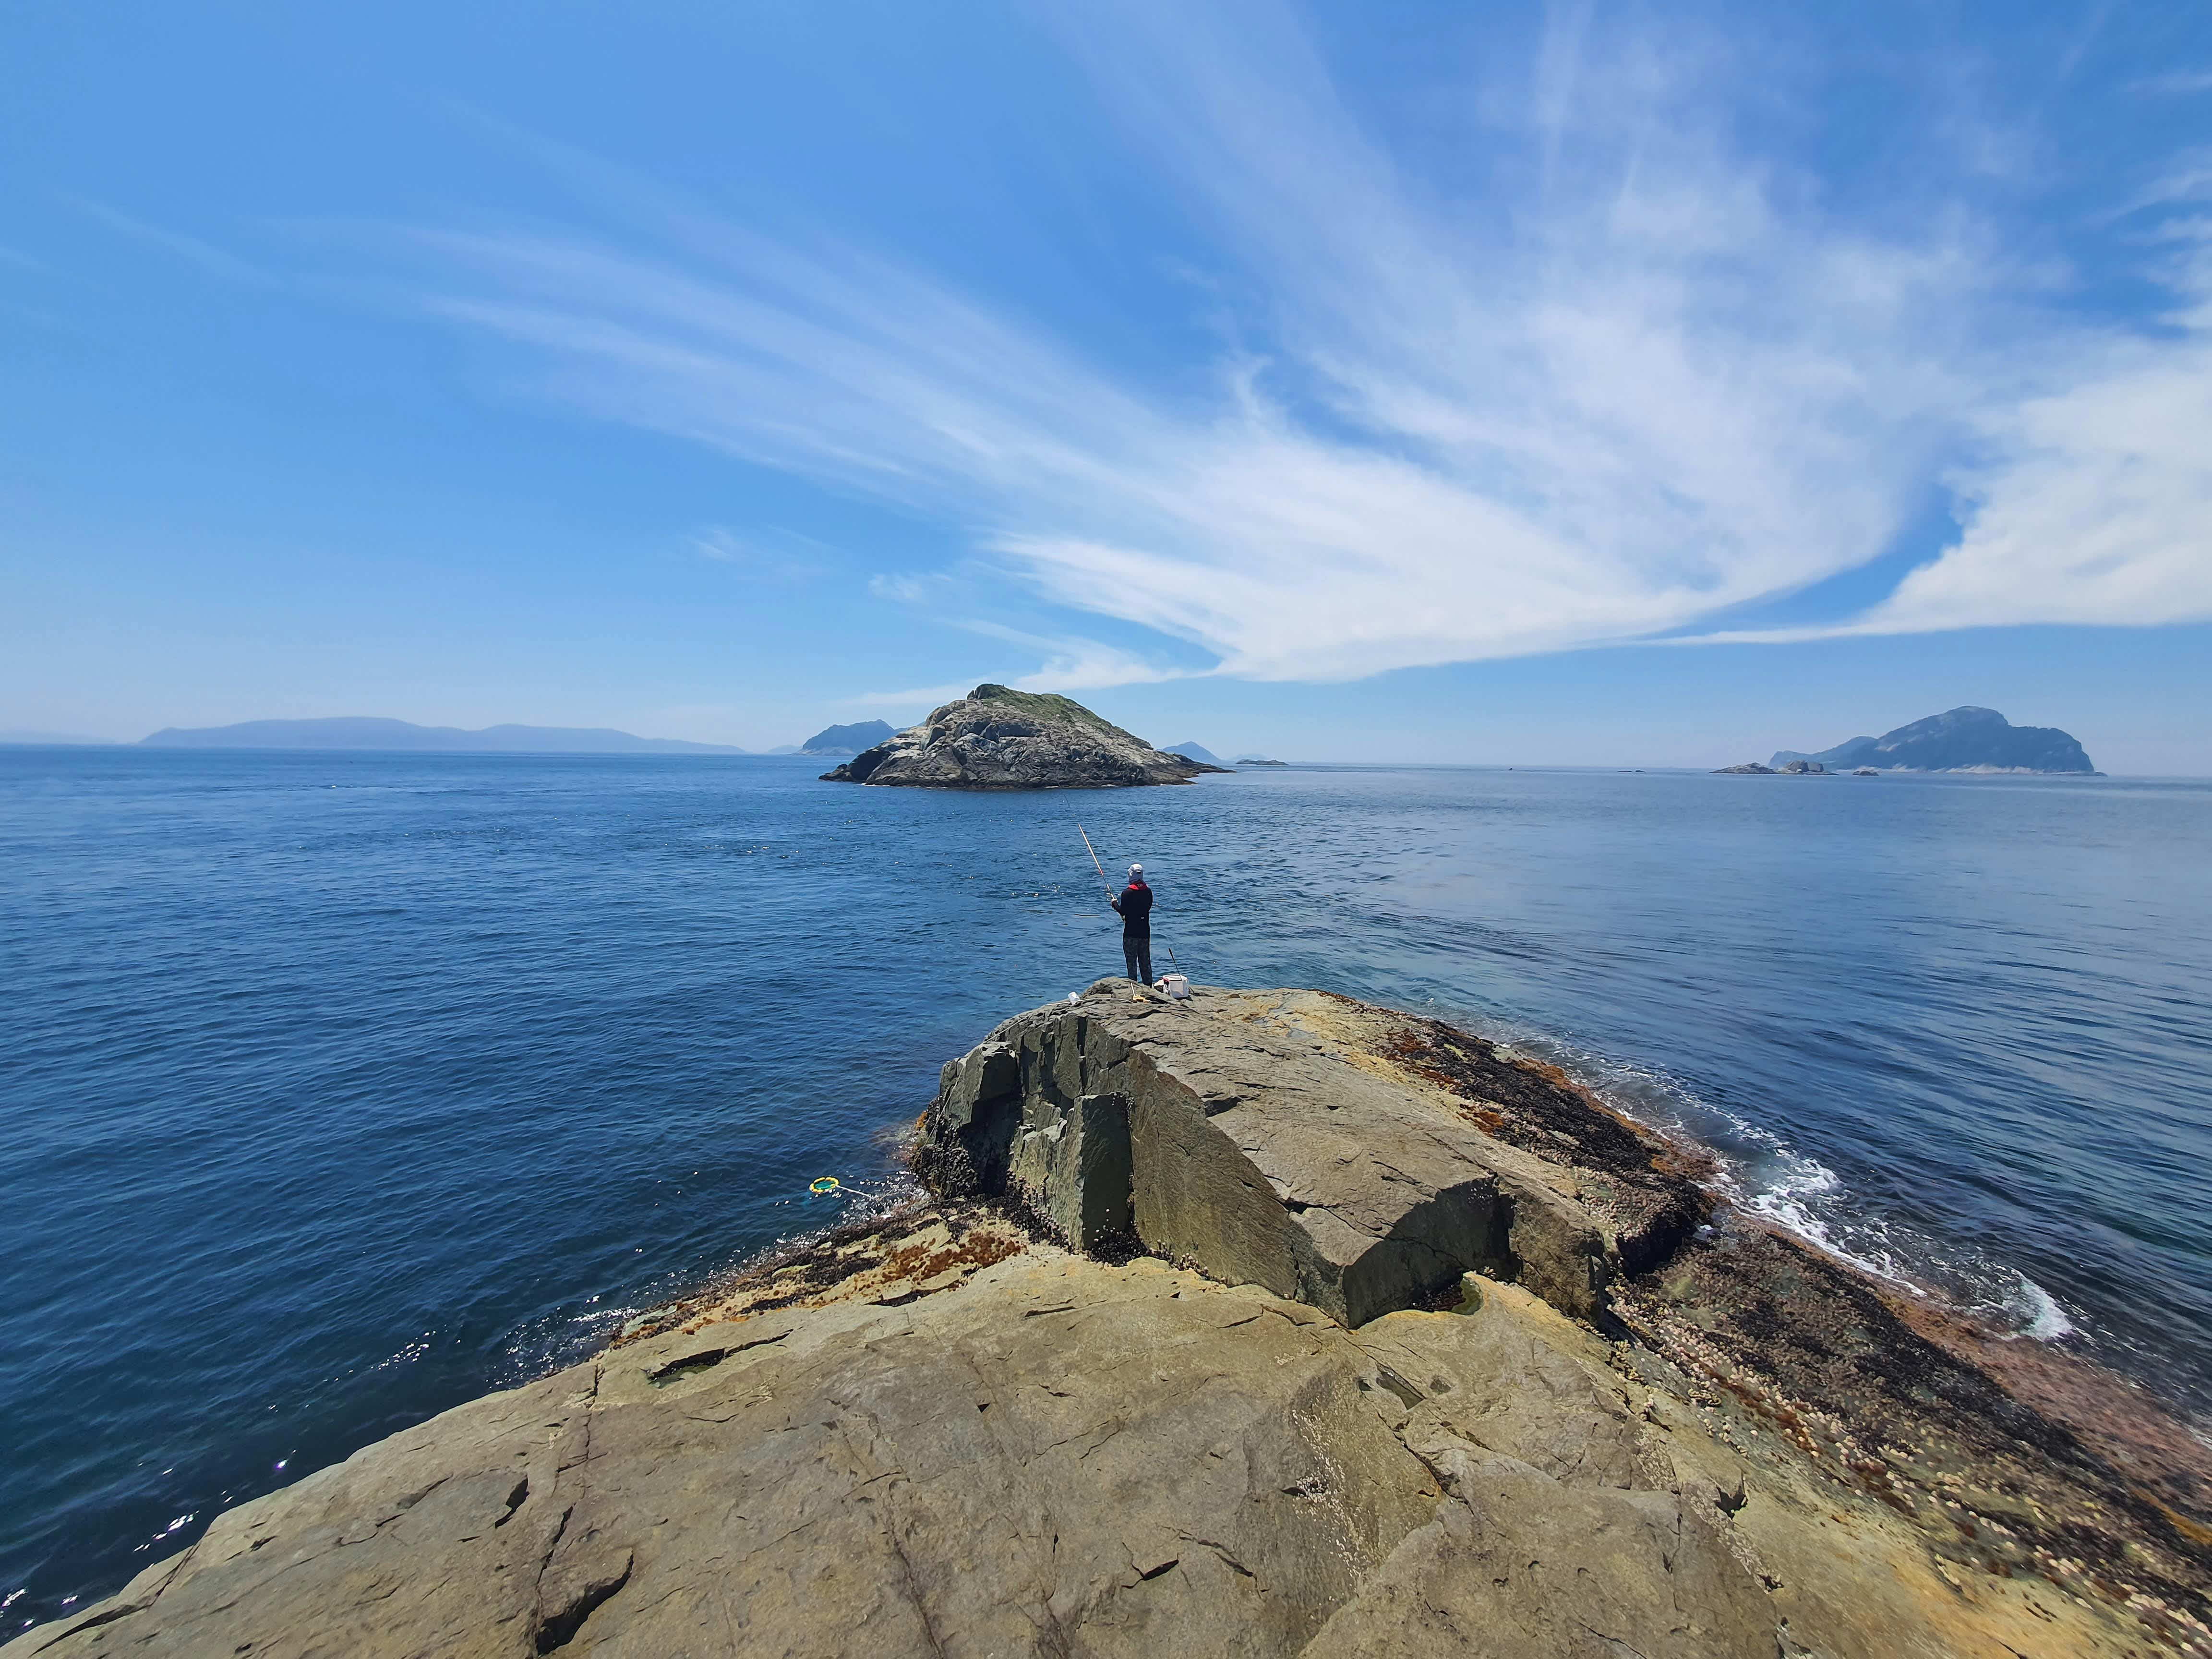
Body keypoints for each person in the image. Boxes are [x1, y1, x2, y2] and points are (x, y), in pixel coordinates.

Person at [1108, 863, 1154, 986]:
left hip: (1131, 933)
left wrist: (1114, 904)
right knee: (1145, 961)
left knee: (1131, 962)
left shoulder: (1127, 893)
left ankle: (1134, 987)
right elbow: (1148, 907)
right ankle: (1149, 986)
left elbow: (1124, 911)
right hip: (1145, 932)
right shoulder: (1148, 891)